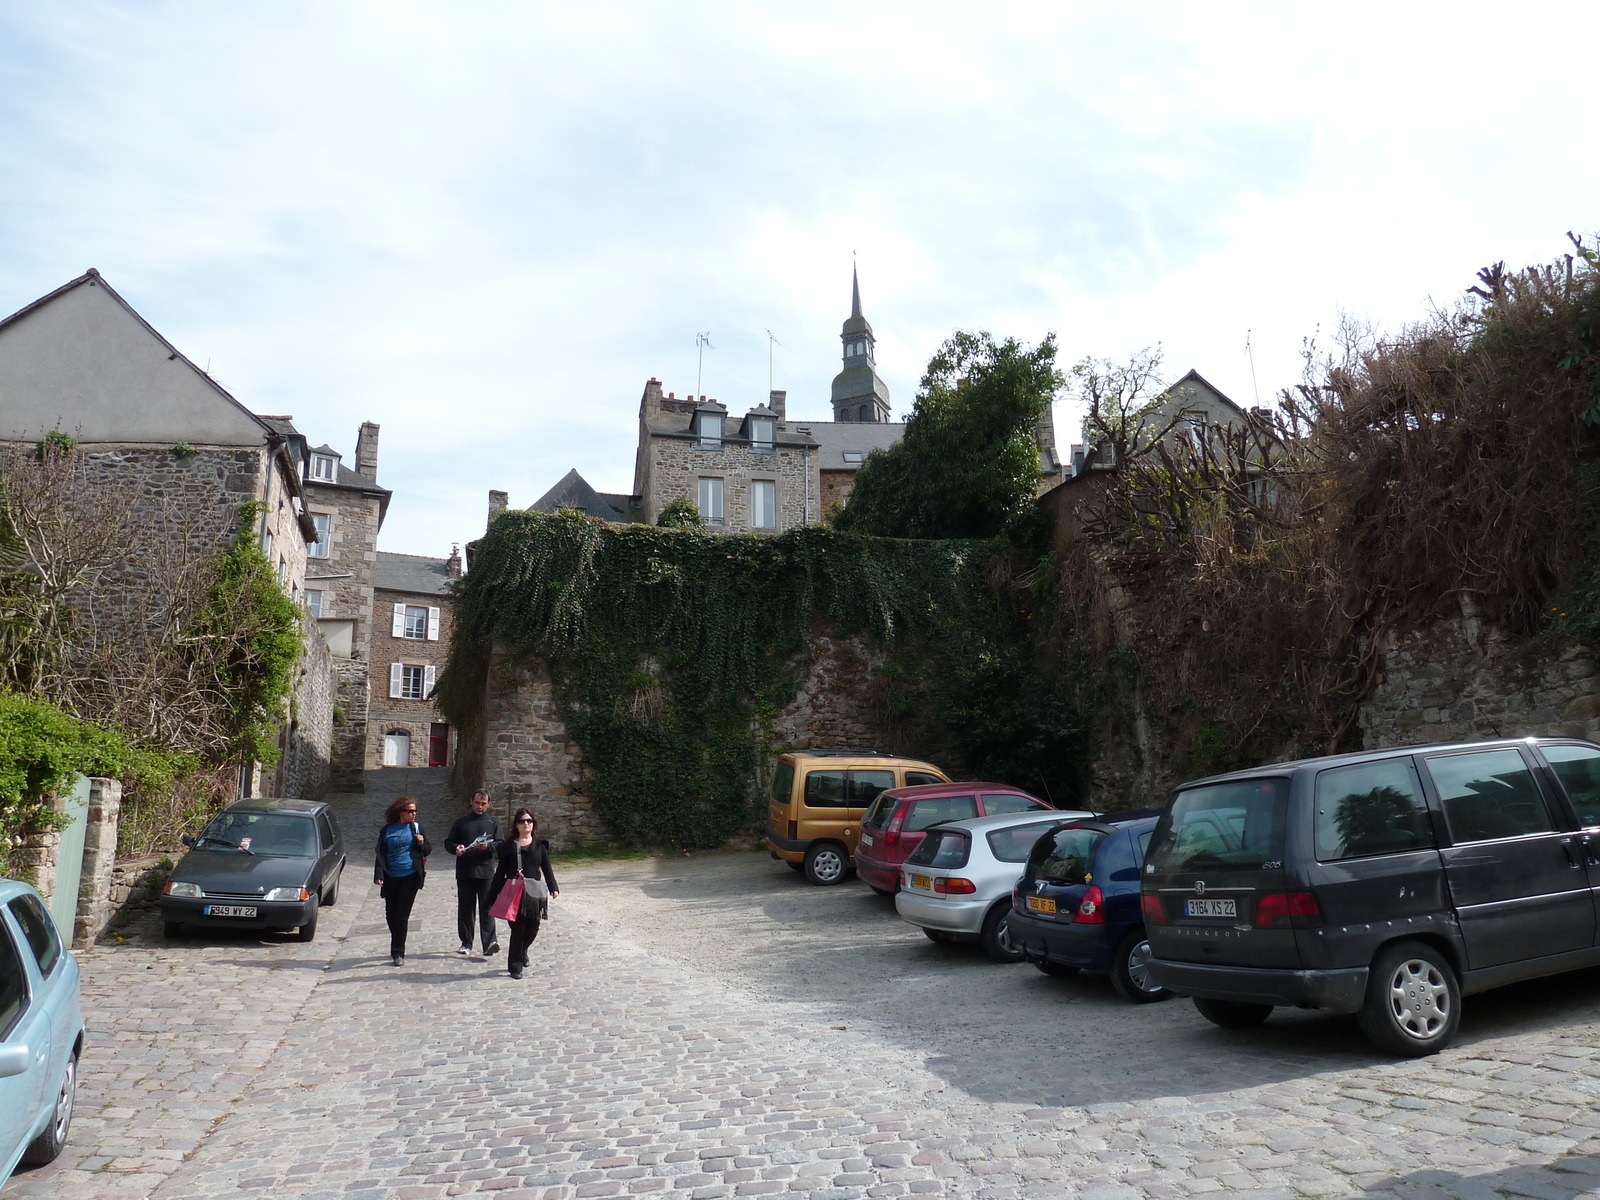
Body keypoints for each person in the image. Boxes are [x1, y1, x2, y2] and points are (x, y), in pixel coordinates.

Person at [490, 808, 559, 980]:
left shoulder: (539, 845)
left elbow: (546, 868)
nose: (526, 823)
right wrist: (491, 897)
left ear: (533, 824)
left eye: (529, 821)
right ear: (516, 825)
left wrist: (553, 887)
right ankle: (515, 966)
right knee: (518, 929)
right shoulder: (508, 847)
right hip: (515, 893)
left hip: (534, 894)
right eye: (522, 821)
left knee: (533, 927)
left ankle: (522, 951)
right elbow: (500, 873)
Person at [444, 789, 503, 957]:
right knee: (466, 910)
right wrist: (456, 848)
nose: (480, 806)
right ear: (471, 801)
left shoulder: (494, 822)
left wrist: (488, 847)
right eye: (477, 803)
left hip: (486, 873)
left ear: (489, 804)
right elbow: (448, 842)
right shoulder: (461, 822)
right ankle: (466, 942)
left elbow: (501, 844)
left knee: (488, 908)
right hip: (465, 872)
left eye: (483, 804)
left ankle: (489, 942)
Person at [374, 796, 431, 966]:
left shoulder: (416, 828)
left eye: (415, 811)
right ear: (400, 812)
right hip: (391, 876)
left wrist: (421, 843)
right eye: (410, 811)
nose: (413, 814)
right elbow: (380, 854)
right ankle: (398, 938)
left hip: (410, 875)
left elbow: (428, 849)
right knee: (390, 916)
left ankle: (398, 952)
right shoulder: (387, 831)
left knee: (401, 916)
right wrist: (379, 874)